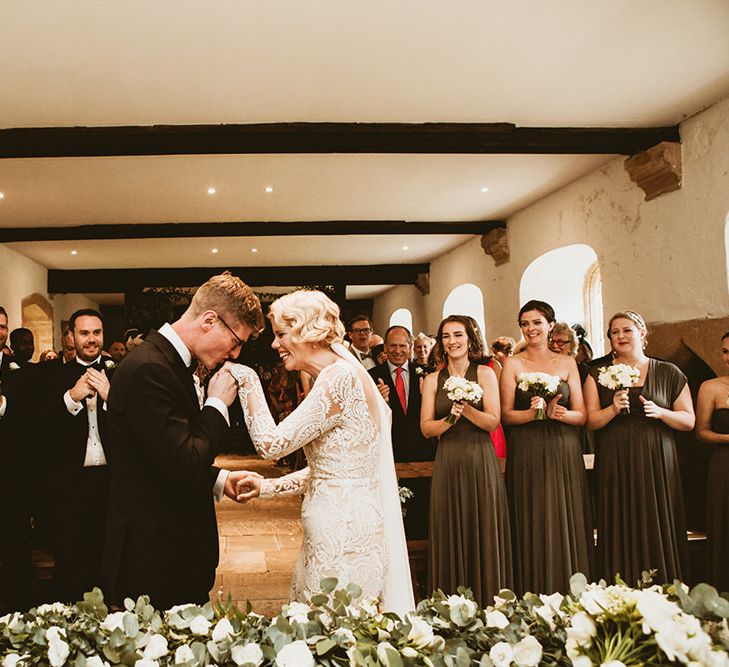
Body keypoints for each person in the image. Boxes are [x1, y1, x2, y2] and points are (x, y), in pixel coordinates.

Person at [231, 290, 414, 616]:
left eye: (281, 335)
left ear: (308, 333)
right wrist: (268, 486)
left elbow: (271, 444)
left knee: (331, 625)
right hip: (344, 521)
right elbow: (334, 468)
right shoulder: (342, 373)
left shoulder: (339, 378)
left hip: (341, 531)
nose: (275, 345)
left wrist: (245, 379)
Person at [102, 272, 265, 609]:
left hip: (173, 553)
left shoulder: (169, 364)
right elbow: (185, 461)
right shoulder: (149, 368)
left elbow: (160, 455)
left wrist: (220, 479)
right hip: (153, 558)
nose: (235, 354)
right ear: (210, 320)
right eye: (236, 341)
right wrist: (217, 404)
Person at [584, 311, 694, 585]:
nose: (620, 336)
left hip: (656, 456)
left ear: (642, 334)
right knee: (620, 521)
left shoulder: (669, 372)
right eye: (615, 332)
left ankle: (665, 584)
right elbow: (591, 421)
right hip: (615, 457)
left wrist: (662, 413)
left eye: (627, 330)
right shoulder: (597, 374)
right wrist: (612, 408)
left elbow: (689, 421)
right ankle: (620, 585)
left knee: (656, 519)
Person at [501, 300, 593, 594]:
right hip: (527, 447)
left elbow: (582, 414)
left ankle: (572, 584)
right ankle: (533, 586)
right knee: (533, 514)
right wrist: (533, 413)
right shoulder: (513, 364)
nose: (530, 329)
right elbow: (505, 415)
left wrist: (561, 414)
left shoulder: (566, 363)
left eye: (537, 323)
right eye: (525, 324)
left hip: (563, 446)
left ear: (550, 325)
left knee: (565, 512)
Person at [421, 315, 511, 607]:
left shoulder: (485, 374)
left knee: (482, 523)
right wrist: (450, 418)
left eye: (458, 335)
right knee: (449, 522)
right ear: (441, 343)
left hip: (479, 456)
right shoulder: (433, 379)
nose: (453, 341)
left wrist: (468, 410)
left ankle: (488, 598)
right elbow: (426, 428)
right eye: (446, 336)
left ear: (470, 339)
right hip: (449, 456)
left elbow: (493, 421)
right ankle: (450, 600)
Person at [50, 309, 114, 601]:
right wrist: (71, 397)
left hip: (112, 480)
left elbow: (138, 425)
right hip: (71, 482)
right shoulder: (54, 377)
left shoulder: (121, 372)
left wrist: (112, 398)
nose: (91, 340)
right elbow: (44, 430)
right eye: (84, 333)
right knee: (71, 554)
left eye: (96, 333)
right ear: (71, 337)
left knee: (109, 554)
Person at [370, 326, 435, 540]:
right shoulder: (372, 377)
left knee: (422, 512)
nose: (398, 351)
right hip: (390, 451)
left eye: (402, 346)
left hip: (422, 453)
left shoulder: (426, 375)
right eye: (393, 346)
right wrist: (378, 401)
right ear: (385, 348)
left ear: (410, 347)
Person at [695, 331, 729, 593]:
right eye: (725, 351)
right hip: (723, 464)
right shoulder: (711, 387)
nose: (728, 357)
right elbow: (701, 432)